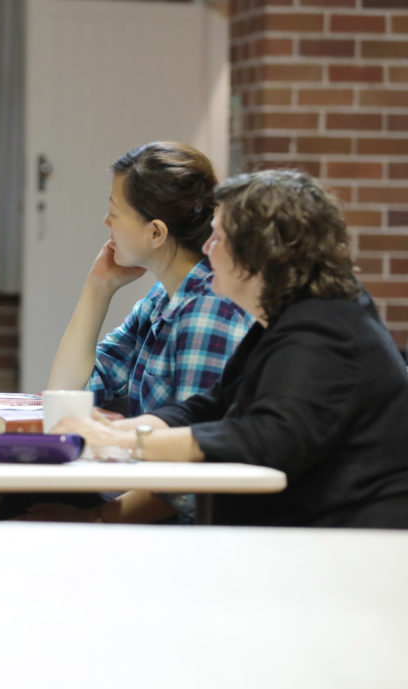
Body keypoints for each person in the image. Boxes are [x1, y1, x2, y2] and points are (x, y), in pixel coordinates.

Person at [54, 168, 408, 528]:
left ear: (259, 254)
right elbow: (212, 405)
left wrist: (130, 444)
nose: (207, 250)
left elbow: (262, 438)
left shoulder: (324, 328)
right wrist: (120, 433)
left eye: (219, 238)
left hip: (347, 542)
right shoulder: (291, 316)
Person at [0, 142, 252, 525]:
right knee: (31, 501)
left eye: (114, 213)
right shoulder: (163, 299)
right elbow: (67, 397)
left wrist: (98, 518)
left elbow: (190, 477)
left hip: (186, 527)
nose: (106, 223)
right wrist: (98, 288)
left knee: (26, 516)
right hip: (146, 492)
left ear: (156, 232)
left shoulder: (208, 312)